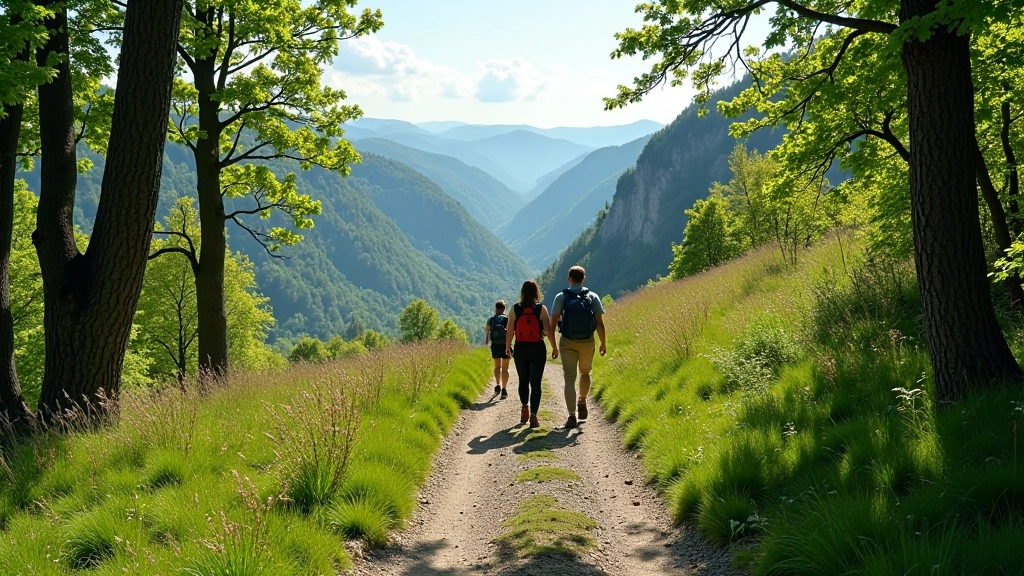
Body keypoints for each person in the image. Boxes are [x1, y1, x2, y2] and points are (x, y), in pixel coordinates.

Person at [550, 265, 606, 430]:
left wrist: (553, 346)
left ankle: (571, 415)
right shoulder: (592, 296)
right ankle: (582, 400)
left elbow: (552, 324)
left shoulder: (561, 297)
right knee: (585, 373)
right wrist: (603, 343)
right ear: (583, 279)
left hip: (567, 342)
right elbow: (599, 324)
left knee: (569, 378)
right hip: (587, 342)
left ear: (569, 279)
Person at [505, 280, 557, 428]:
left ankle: (524, 408)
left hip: (521, 348)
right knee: (536, 383)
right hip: (537, 348)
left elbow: (510, 330)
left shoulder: (515, 309)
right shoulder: (541, 309)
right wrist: (554, 347)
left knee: (523, 381)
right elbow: (548, 330)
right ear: (536, 292)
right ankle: (534, 416)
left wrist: (508, 347)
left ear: (522, 292)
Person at [484, 300, 510, 399]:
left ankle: (498, 385)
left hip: (495, 345)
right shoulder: (507, 319)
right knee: (505, 368)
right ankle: (504, 389)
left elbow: (487, 330)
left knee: (497, 367)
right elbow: (512, 331)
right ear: (504, 309)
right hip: (505, 345)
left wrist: (487, 340)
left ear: (496, 308)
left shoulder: (491, 319)